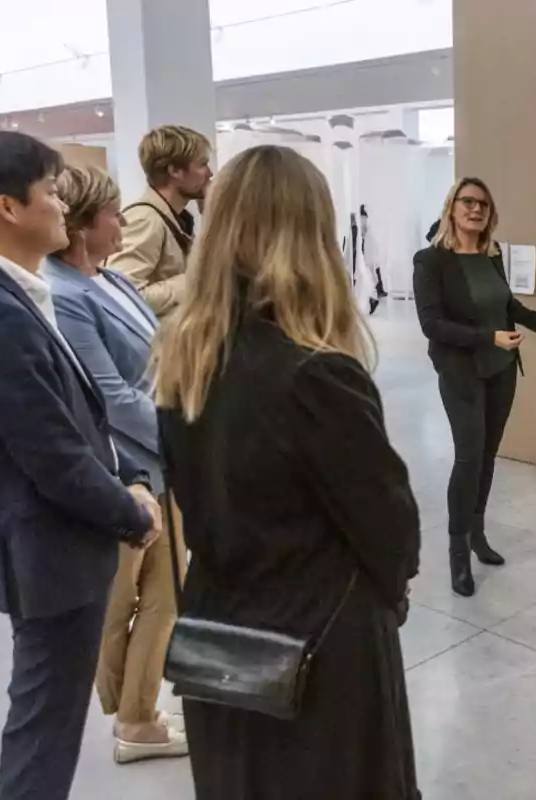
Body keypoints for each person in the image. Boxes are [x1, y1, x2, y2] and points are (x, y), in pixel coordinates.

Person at [155, 145, 422, 799]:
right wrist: (391, 591)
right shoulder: (317, 373)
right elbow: (390, 531)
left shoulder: (185, 361)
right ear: (311, 236)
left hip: (221, 638)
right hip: (319, 653)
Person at [0, 130, 161, 800]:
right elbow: (53, 459)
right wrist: (131, 509)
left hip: (49, 544)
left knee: (44, 718)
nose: (61, 205)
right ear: (8, 207)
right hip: (49, 552)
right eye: (49, 191)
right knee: (45, 731)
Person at [42, 165, 188, 764]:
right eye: (111, 214)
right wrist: (183, 438)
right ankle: (128, 713)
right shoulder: (64, 296)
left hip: (162, 458)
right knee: (119, 600)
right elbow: (111, 397)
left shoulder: (111, 281)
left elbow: (156, 355)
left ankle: (138, 714)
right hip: (123, 468)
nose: (122, 223)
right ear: (83, 226)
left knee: (165, 595)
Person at [413, 177, 536, 597]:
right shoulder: (430, 261)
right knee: (469, 458)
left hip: (502, 369)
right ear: (451, 207)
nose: (476, 210)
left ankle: (477, 534)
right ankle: (457, 552)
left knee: (488, 456)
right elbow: (431, 325)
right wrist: (486, 337)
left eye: (484, 205)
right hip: (461, 370)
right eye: (468, 202)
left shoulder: (492, 257)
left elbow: (506, 304)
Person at [110, 124, 212, 318]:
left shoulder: (177, 217)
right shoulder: (146, 219)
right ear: (175, 171)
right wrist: (196, 279)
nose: (210, 173)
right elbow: (125, 294)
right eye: (202, 164)